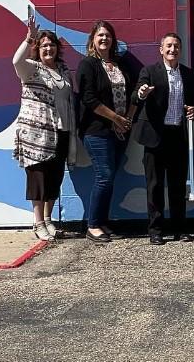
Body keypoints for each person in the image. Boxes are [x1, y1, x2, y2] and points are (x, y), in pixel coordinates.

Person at [12, 11, 77, 241]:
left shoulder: (64, 72)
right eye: (44, 46)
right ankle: (38, 222)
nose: (48, 49)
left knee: (55, 177)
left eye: (52, 45)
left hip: (61, 130)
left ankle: (49, 220)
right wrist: (30, 37)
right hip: (37, 134)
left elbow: (69, 100)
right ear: (37, 49)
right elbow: (16, 61)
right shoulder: (31, 69)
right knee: (38, 178)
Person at [133, 33, 194, 245]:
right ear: (161, 50)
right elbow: (136, 95)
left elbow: (193, 103)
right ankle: (155, 230)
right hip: (155, 136)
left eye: (176, 46)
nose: (173, 49)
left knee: (178, 185)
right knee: (154, 185)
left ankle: (180, 229)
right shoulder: (149, 71)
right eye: (169, 46)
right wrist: (143, 92)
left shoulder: (187, 75)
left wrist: (193, 111)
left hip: (177, 135)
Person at [77, 20, 138, 243]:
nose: (104, 39)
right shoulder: (88, 65)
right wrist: (116, 118)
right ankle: (92, 225)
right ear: (93, 39)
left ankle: (102, 221)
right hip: (97, 131)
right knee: (105, 176)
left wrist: (127, 119)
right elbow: (89, 99)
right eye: (100, 35)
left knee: (110, 177)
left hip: (121, 131)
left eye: (108, 36)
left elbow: (133, 92)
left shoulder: (120, 64)